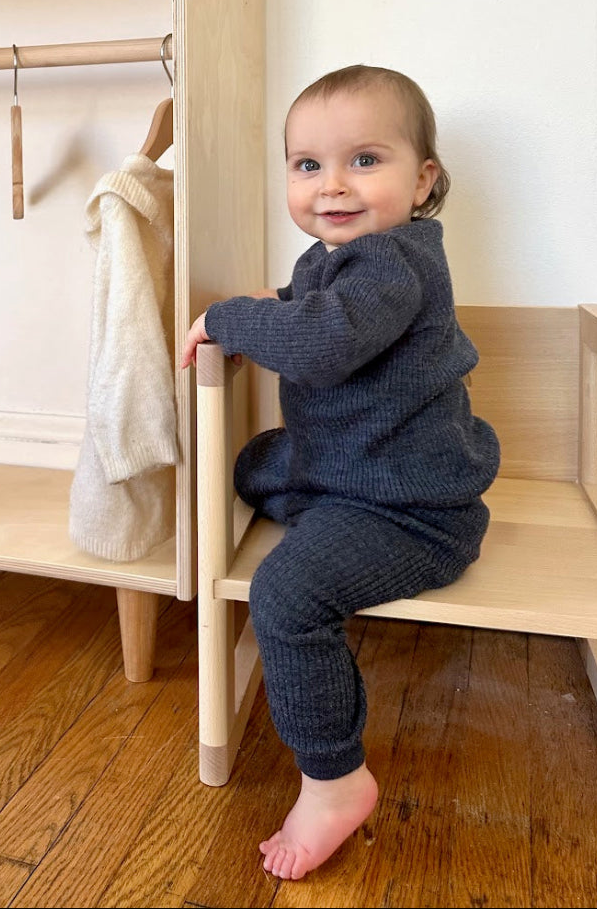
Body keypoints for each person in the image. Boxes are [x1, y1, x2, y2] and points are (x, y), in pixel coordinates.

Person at [180, 64, 500, 881]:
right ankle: (307, 506)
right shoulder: (346, 258)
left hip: (410, 510)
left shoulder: (395, 260)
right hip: (350, 471)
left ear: (423, 178)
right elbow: (320, 302)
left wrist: (231, 316)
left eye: (365, 160)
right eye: (307, 164)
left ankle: (333, 778)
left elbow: (326, 342)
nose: (332, 187)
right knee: (258, 464)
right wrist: (278, 298)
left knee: (284, 595)